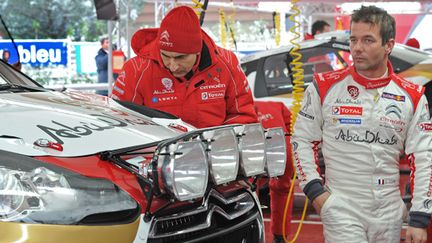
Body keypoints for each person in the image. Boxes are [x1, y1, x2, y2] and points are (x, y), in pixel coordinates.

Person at [292, 5, 432, 243]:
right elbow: (302, 140)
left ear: (389, 45)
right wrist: (315, 192)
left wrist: (419, 216)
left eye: (368, 40)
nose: (357, 48)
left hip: (388, 210)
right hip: (341, 206)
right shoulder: (324, 87)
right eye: (353, 39)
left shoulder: (413, 96)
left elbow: (423, 156)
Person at [111, 6, 257, 128]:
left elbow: (243, 116)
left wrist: (216, 143)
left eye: (181, 57)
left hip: (213, 157)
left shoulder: (227, 63)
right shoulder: (136, 69)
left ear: (197, 50)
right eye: (166, 56)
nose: (173, 66)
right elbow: (119, 121)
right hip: (155, 158)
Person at [255, 101, 294, 243]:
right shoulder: (277, 105)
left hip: (253, 147)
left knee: (248, 192)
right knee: (282, 189)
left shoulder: (239, 105)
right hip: (282, 144)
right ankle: (280, 236)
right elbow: (292, 126)